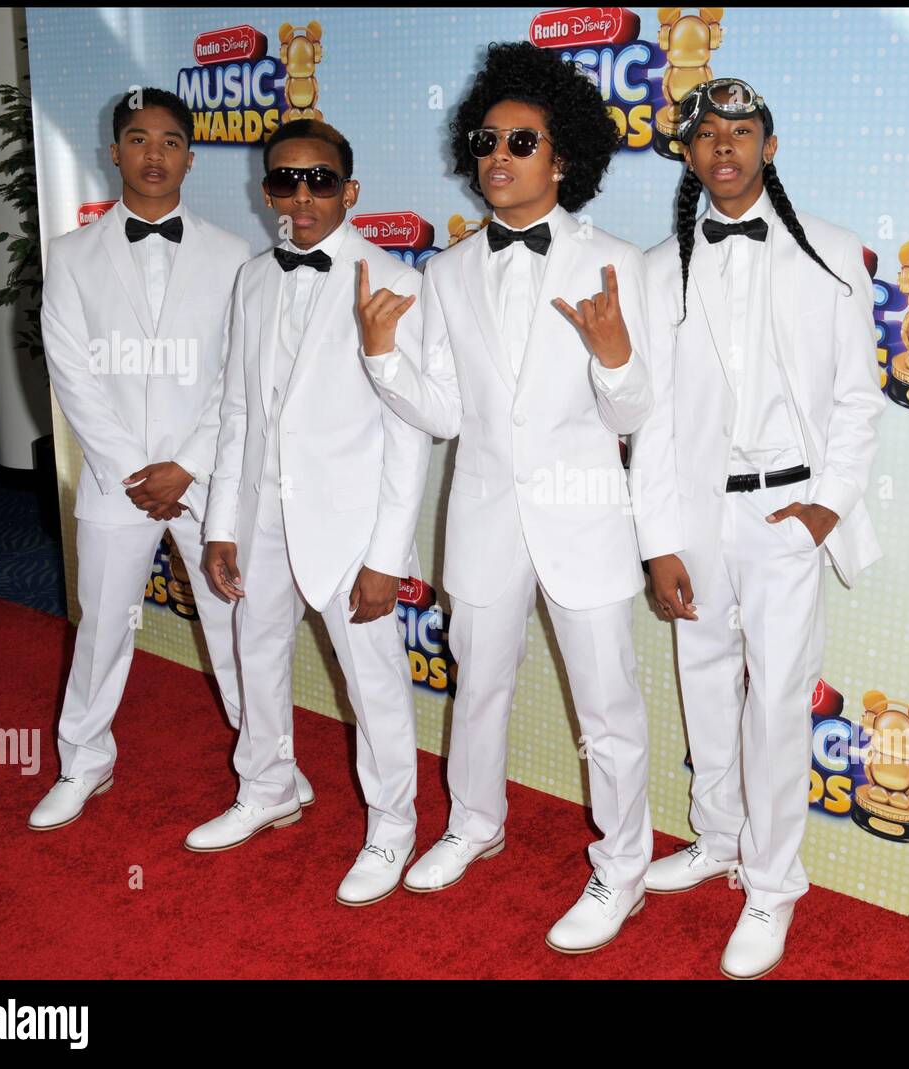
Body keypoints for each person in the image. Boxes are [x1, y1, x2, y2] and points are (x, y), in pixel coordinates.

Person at [362, 42, 655, 953]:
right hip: (486, 515)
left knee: (607, 706)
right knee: (478, 687)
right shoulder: (446, 273)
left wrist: (614, 351)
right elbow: (445, 413)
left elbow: (637, 408)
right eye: (487, 140)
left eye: (521, 143)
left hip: (585, 518)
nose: (499, 156)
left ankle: (622, 871)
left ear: (562, 155)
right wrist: (383, 358)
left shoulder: (616, 263)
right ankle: (473, 823)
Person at [631, 78, 885, 978]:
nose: (725, 146)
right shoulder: (659, 267)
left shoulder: (833, 251)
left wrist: (830, 503)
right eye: (708, 134)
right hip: (696, 511)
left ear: (768, 145)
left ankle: (773, 884)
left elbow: (860, 395)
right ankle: (718, 836)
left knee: (777, 702)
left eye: (742, 131)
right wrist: (660, 538)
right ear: (689, 153)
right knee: (701, 680)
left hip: (788, 513)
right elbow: (653, 420)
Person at [30, 88, 318, 830]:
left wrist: (185, 467)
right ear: (115, 151)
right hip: (114, 483)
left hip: (210, 482)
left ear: (190, 156)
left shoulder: (235, 258)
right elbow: (73, 373)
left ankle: (272, 765)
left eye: (168, 141)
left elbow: (238, 376)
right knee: (103, 628)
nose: (152, 154)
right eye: (136, 138)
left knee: (236, 626)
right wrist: (136, 470)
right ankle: (83, 761)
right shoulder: (70, 256)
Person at [185, 120, 431, 910]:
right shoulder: (252, 279)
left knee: (375, 687)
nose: (303, 195)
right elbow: (235, 411)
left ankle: (392, 827)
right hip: (260, 515)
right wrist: (221, 521)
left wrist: (387, 554)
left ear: (349, 191)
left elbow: (409, 434)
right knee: (255, 657)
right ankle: (267, 787)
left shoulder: (393, 280)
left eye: (320, 180)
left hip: (352, 528)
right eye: (286, 180)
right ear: (266, 193)